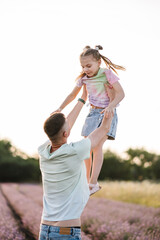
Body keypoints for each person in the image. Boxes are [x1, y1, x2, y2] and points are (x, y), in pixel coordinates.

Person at [38, 86, 113, 240]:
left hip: (45, 229)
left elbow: (65, 126)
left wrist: (82, 99)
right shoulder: (74, 151)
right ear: (66, 133)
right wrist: (110, 103)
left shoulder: (43, 151)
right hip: (65, 232)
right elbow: (104, 128)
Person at [52, 45, 125, 195]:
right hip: (92, 113)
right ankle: (86, 181)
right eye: (83, 66)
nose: (86, 69)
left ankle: (93, 182)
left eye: (89, 65)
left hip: (107, 114)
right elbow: (72, 95)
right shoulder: (84, 79)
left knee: (97, 147)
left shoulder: (107, 74)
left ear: (99, 62)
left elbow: (121, 94)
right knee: (86, 147)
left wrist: (111, 106)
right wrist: (60, 108)